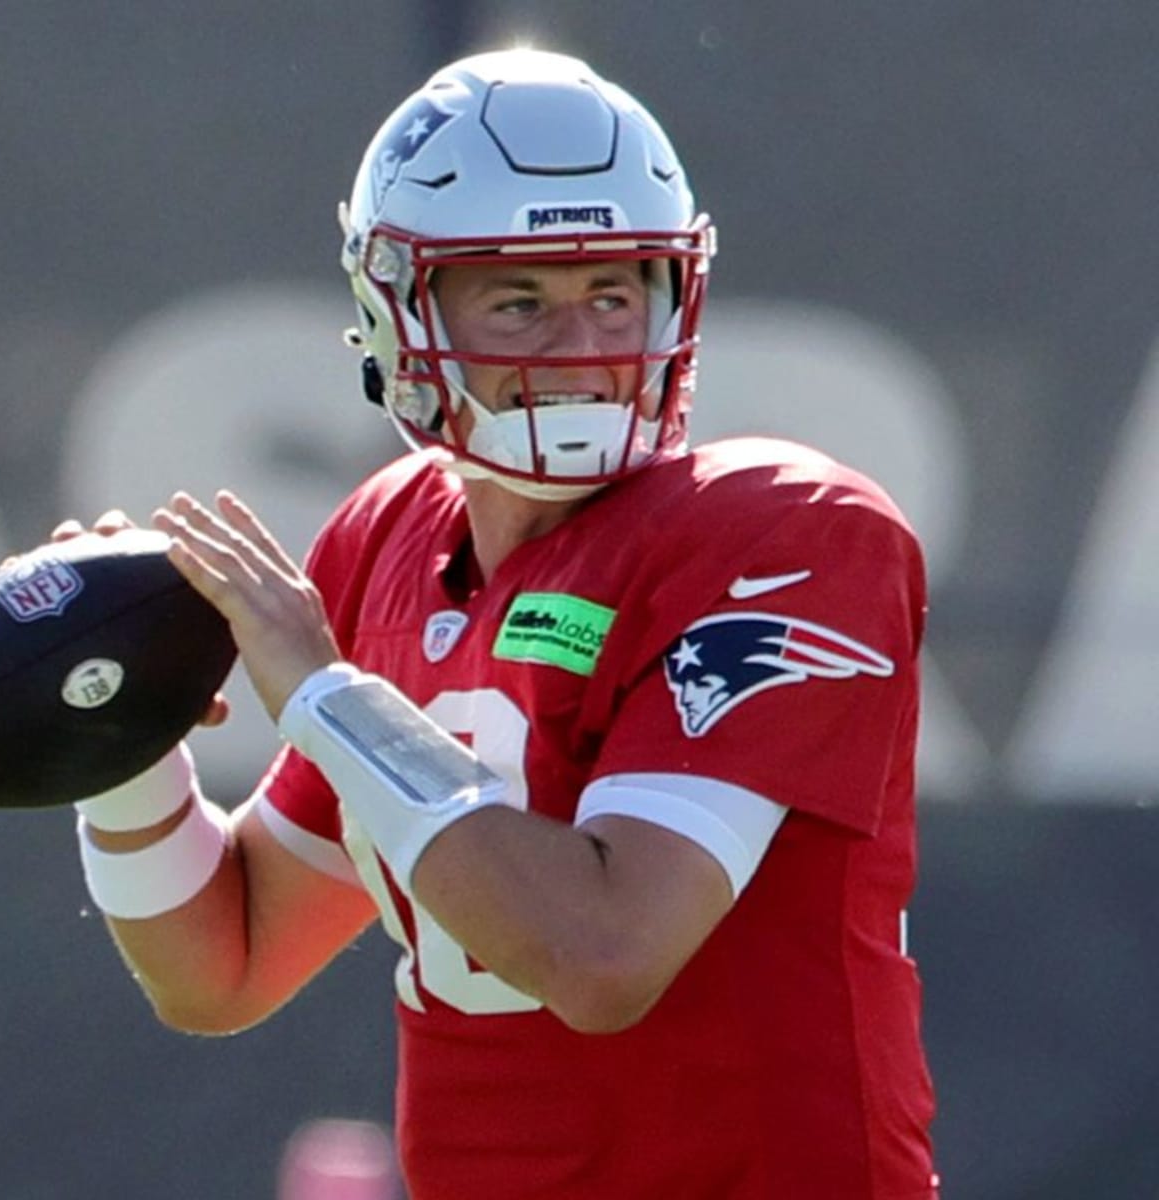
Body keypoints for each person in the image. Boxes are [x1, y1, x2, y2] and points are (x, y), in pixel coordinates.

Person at [61, 48, 939, 1199]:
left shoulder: (781, 532)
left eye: (614, 294)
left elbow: (605, 951)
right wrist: (117, 734)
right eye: (519, 301)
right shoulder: (386, 539)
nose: (581, 352)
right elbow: (221, 967)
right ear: (400, 312)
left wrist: (329, 701)